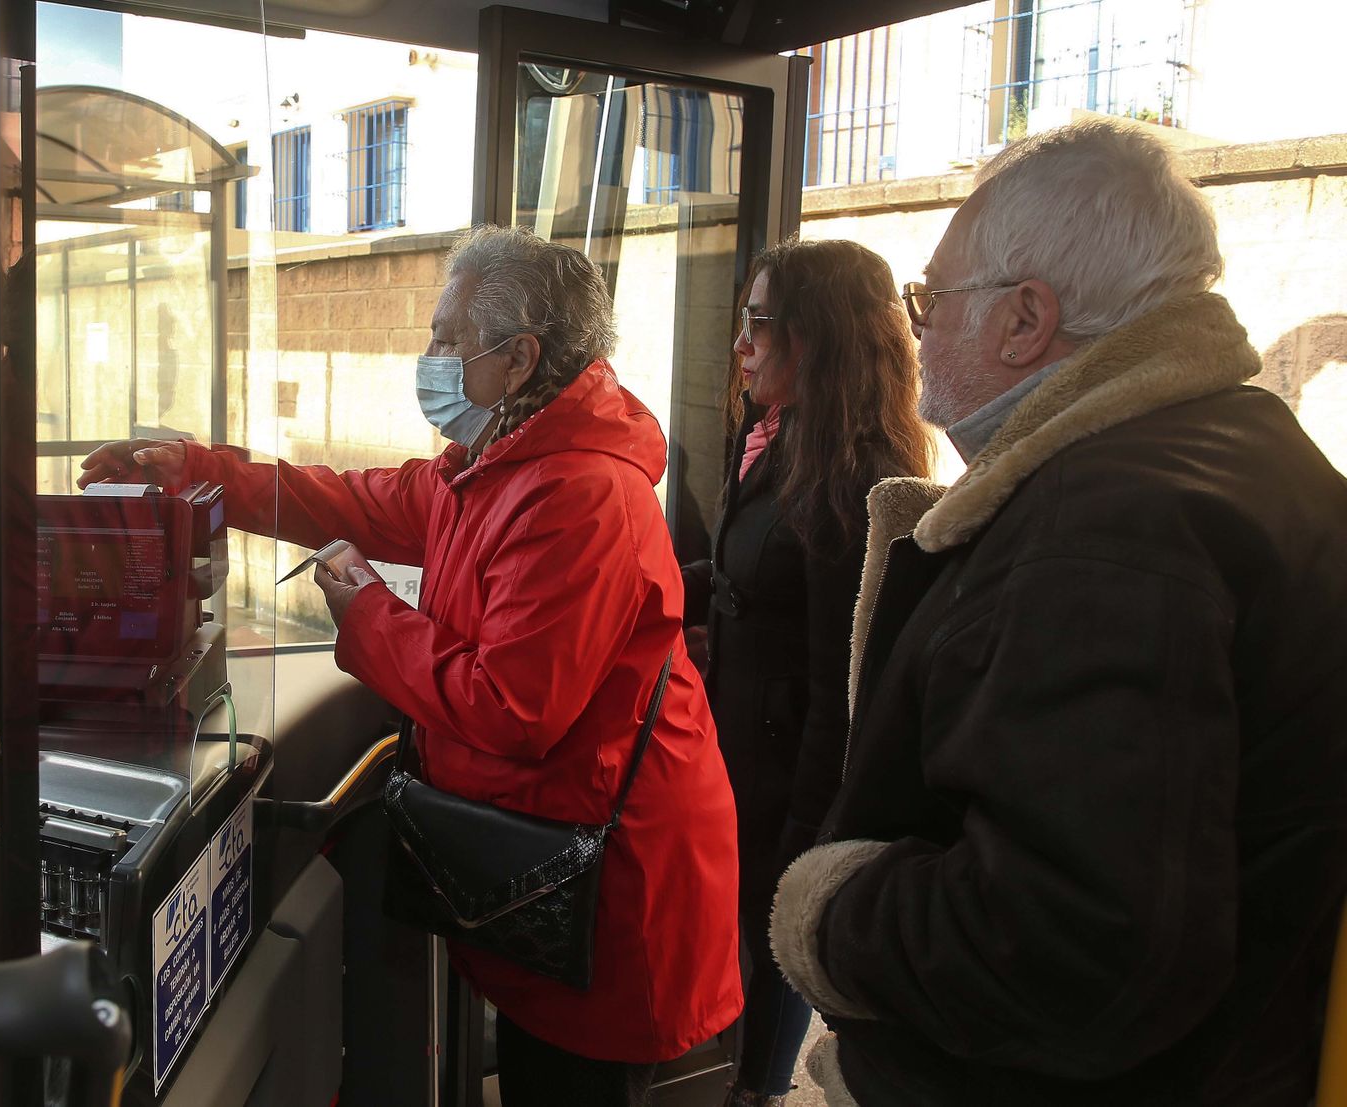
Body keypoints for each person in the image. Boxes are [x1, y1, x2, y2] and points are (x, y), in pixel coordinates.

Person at [80, 224, 742, 1106]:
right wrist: (198, 469)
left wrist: (367, 611)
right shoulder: (499, 461)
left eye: (446, 338)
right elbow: (355, 499)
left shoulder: (579, 493)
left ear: (518, 360)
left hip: (618, 899)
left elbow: (511, 705)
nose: (428, 356)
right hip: (556, 863)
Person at [769, 119, 1347, 1105]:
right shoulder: (1242, 446)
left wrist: (829, 911)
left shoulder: (1102, 532)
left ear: (1024, 319)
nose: (918, 328)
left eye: (930, 299)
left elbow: (1073, 946)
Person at [681, 240, 932, 1107]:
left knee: (770, 940)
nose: (741, 344)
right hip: (738, 740)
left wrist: (807, 832)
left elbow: (842, 683)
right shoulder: (778, 440)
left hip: (785, 770)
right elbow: (744, 573)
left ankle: (757, 1091)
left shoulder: (857, 473)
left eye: (759, 322)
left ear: (816, 338)